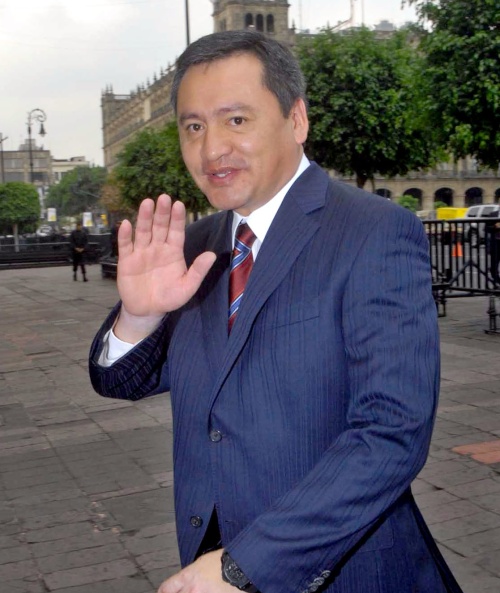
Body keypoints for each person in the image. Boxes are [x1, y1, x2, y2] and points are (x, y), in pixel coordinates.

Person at [89, 30, 463, 593]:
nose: (211, 149)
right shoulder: (195, 247)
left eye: (236, 120)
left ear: (297, 119)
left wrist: (245, 567)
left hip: (341, 571)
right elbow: (119, 382)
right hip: (209, 555)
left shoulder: (372, 231)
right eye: (194, 127)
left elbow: (392, 433)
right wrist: (138, 319)